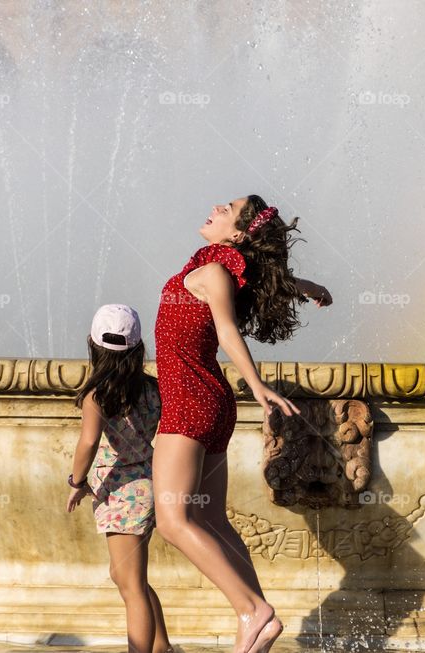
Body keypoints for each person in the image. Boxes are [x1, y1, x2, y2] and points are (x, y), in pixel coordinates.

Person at [153, 196, 332, 653]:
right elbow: (265, 281)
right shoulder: (223, 272)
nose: (214, 205)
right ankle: (253, 623)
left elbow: (228, 331)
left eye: (227, 207)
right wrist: (307, 286)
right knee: (210, 518)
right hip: (209, 401)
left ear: (238, 234)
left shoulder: (212, 273)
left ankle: (253, 611)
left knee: (173, 520)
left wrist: (255, 384)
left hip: (189, 401)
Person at [66, 303, 171, 653]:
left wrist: (75, 482)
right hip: (146, 483)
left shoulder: (98, 396)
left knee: (132, 587)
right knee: (127, 578)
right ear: (138, 349)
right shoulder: (153, 390)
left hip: (121, 494)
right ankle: (162, 647)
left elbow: (88, 442)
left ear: (93, 347)